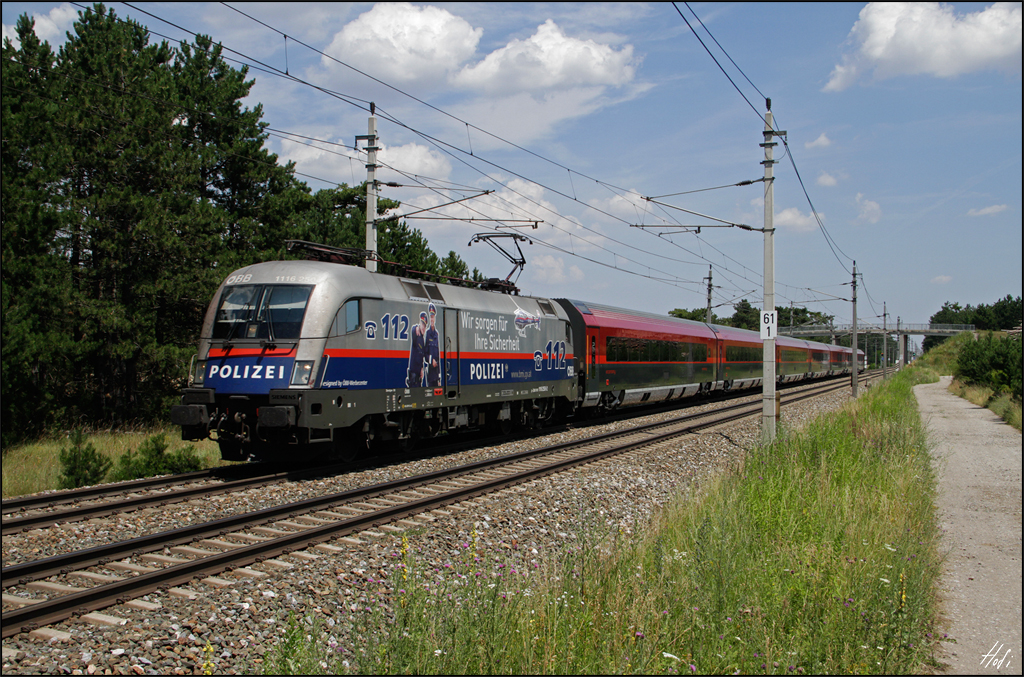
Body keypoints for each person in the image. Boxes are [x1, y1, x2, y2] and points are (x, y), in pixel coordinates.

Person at [407, 311, 427, 387]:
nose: (423, 328)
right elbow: (413, 330)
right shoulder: (416, 333)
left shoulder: (422, 340)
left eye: (425, 326)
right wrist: (416, 327)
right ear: (419, 323)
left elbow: (421, 356)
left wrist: (422, 368)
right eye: (422, 324)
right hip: (413, 378)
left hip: (418, 379)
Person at [425, 303, 441, 386]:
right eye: (430, 317)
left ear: (435, 318)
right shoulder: (427, 334)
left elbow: (439, 355)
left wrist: (439, 377)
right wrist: (431, 361)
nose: (431, 319)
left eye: (433, 317)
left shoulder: (437, 335)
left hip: (436, 374)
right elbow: (425, 353)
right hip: (430, 374)